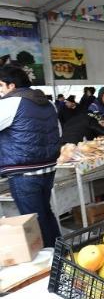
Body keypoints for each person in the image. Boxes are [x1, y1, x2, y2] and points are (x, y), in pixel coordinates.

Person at [0, 64, 62, 248]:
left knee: (35, 218)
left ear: (11, 86)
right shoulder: (47, 103)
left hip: (24, 172)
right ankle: (61, 254)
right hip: (48, 168)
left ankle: (50, 262)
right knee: (45, 212)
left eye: (0, 86)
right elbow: (58, 131)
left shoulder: (10, 103)